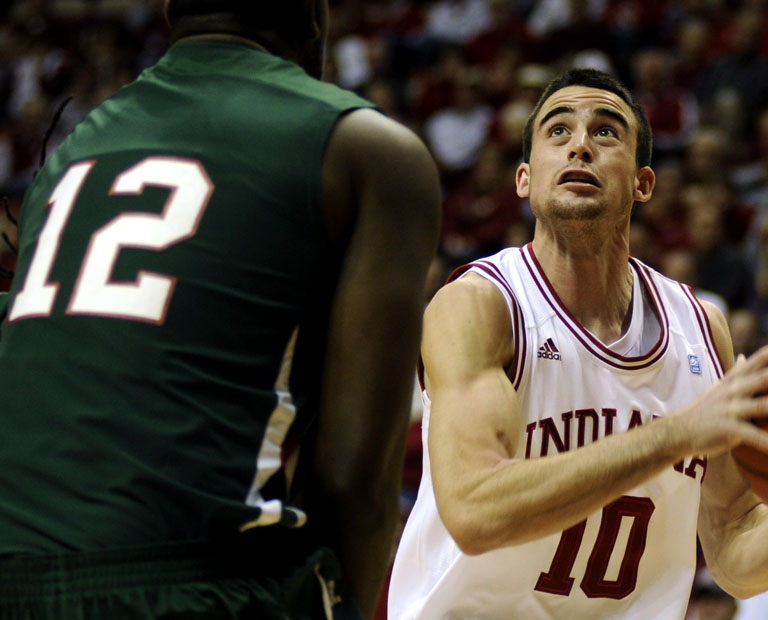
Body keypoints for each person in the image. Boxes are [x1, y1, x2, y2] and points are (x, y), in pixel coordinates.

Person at [0, 0, 441, 618]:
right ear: (313, 17)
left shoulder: (71, 152)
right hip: (191, 583)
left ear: (169, 11)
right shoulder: (367, 148)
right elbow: (354, 486)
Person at [389, 68, 768, 619]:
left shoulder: (699, 328)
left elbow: (735, 557)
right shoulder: (481, 305)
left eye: (605, 132)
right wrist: (675, 435)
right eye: (557, 131)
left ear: (643, 183)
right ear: (524, 178)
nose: (579, 145)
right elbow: (476, 512)